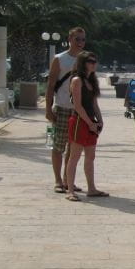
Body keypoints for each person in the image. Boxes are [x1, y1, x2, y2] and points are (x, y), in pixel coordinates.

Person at [45, 27, 86, 193]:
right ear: (70, 39)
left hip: (79, 110)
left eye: (83, 40)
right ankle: (58, 180)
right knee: (59, 146)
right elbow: (50, 85)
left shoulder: (85, 59)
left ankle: (68, 180)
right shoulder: (59, 59)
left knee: (74, 148)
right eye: (77, 39)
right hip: (62, 107)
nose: (80, 43)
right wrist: (48, 108)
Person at [64, 51, 108, 201]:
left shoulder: (92, 80)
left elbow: (94, 103)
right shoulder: (77, 80)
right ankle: (70, 190)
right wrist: (89, 123)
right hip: (79, 121)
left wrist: (99, 121)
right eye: (90, 61)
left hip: (91, 122)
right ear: (83, 63)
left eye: (95, 61)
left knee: (90, 156)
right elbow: (77, 105)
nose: (93, 63)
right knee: (74, 156)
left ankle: (92, 188)